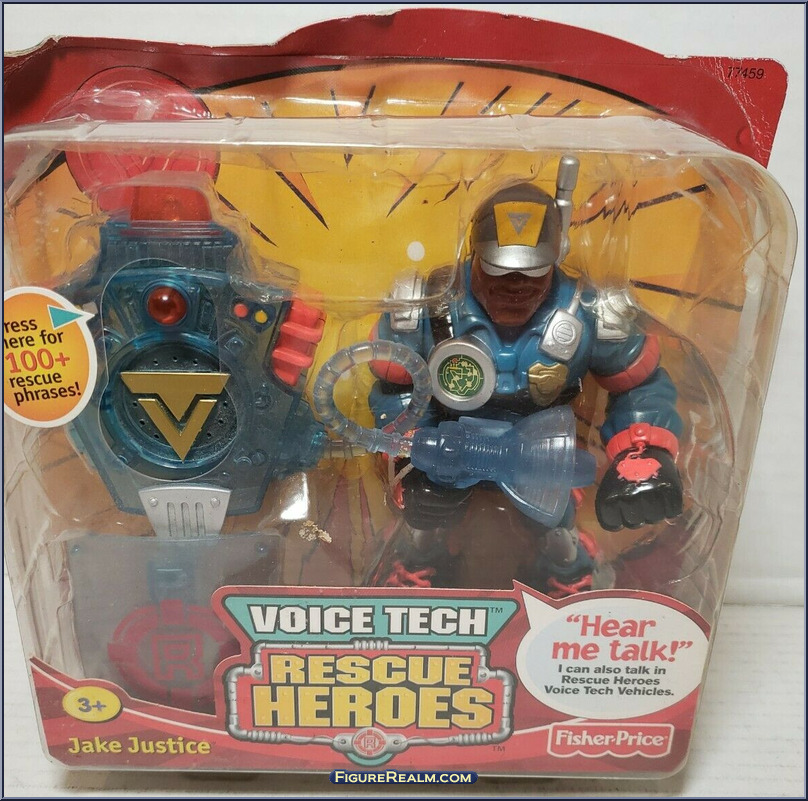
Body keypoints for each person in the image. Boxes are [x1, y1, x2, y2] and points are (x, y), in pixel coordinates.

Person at [367, 156, 683, 596]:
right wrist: (410, 457)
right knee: (421, 526)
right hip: (449, 442)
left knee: (558, 532)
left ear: (556, 256)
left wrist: (641, 452)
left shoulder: (590, 311)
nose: (515, 286)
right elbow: (395, 388)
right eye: (499, 271)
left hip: (541, 448)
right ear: (476, 255)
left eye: (532, 272)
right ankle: (408, 577)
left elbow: (639, 386)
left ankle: (571, 582)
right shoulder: (430, 303)